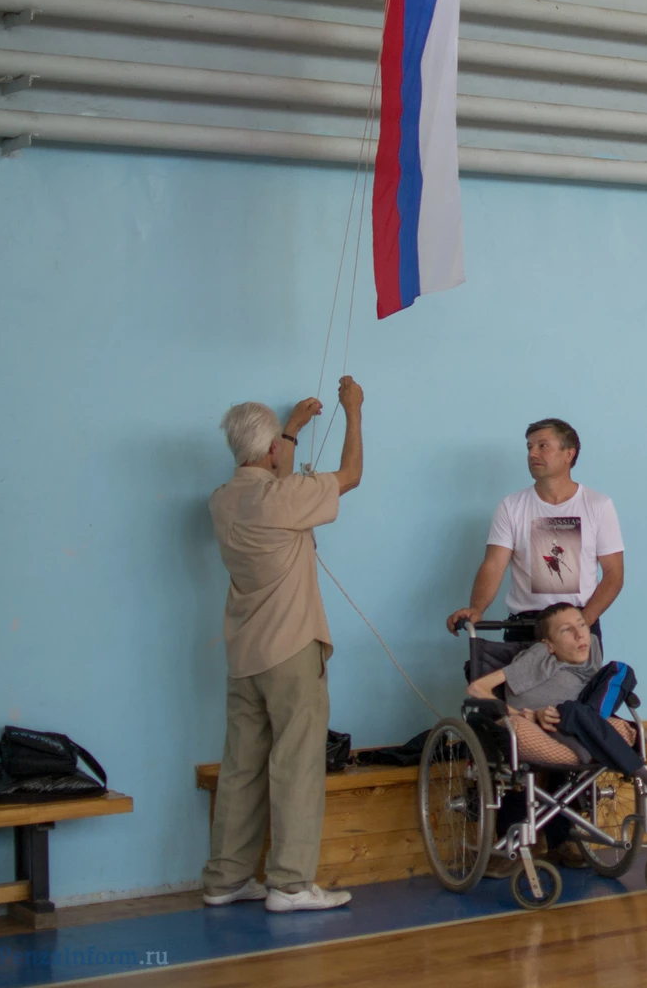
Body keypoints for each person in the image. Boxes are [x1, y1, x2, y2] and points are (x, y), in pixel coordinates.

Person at [202, 376, 364, 914]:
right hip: (292, 650)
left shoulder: (223, 500)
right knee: (296, 763)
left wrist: (290, 430)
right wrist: (353, 411)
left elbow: (274, 484)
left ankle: (226, 879)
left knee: (242, 766)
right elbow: (351, 475)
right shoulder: (281, 497)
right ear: (271, 451)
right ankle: (290, 884)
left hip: (243, 655)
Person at [468, 602, 647, 825]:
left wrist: (587, 715)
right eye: (567, 630)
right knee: (573, 710)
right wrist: (523, 714)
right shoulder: (540, 655)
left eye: (582, 625)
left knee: (621, 670)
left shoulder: (589, 649)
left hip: (580, 717)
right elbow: (476, 689)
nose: (580, 635)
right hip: (553, 720)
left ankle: (588, 724)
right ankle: (643, 774)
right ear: (549, 644)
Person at [448, 419, 623, 644]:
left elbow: (614, 575)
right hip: (524, 626)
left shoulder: (598, 505)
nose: (533, 454)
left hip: (579, 622)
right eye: (529, 447)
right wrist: (477, 608)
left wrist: (582, 622)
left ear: (568, 454)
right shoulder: (511, 506)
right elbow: (493, 565)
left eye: (543, 446)